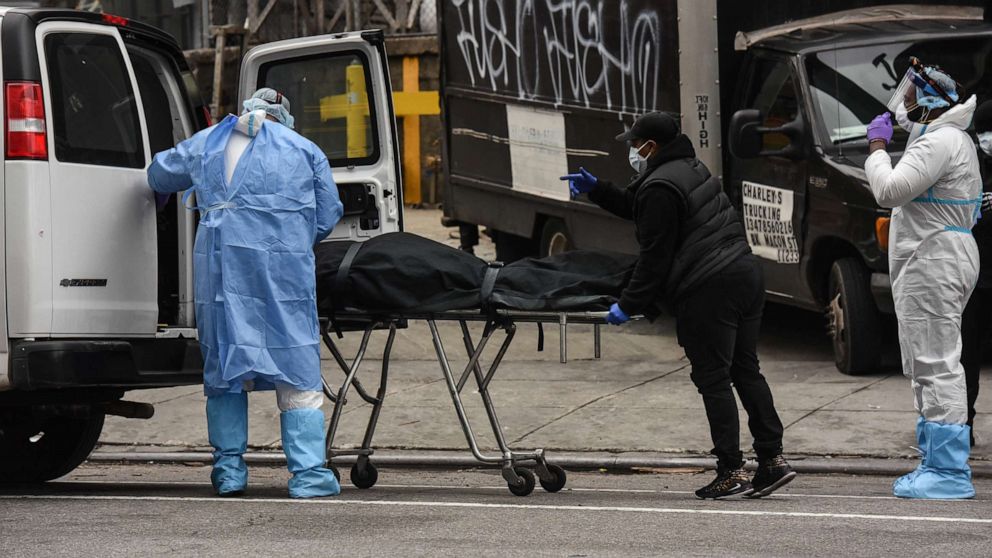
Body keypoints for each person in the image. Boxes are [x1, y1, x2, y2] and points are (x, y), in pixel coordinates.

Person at [561, 112, 795, 499]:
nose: (633, 151)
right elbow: (638, 207)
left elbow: (656, 254)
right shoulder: (688, 168)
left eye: (635, 145)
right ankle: (772, 461)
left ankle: (731, 470)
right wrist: (597, 189)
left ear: (651, 146)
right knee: (745, 369)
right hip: (744, 273)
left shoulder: (659, 185)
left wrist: (629, 303)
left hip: (709, 286)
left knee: (713, 377)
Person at [147, 88, 344, 498]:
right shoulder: (306, 149)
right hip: (284, 273)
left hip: (221, 270)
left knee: (223, 365)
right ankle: (308, 476)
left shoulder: (207, 142)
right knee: (296, 360)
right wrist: (288, 235)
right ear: (283, 117)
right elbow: (328, 214)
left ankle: (229, 472)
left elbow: (158, 174)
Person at [864, 62, 980, 498]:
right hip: (934, 258)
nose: (904, 100)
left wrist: (876, 147)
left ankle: (949, 473)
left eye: (911, 93)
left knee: (936, 364)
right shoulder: (942, 137)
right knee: (924, 363)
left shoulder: (942, 141)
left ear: (931, 101)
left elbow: (889, 190)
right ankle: (935, 462)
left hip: (935, 261)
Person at [962, 100, 992, 448]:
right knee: (966, 359)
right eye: (983, 132)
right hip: (974, 277)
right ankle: (963, 426)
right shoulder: (970, 162)